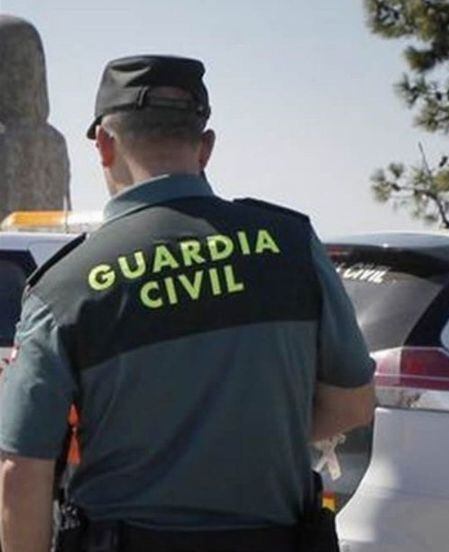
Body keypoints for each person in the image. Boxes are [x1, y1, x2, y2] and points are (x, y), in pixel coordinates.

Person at [0, 55, 375, 552]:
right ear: (206, 147)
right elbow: (352, 404)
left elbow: (21, 469)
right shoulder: (291, 244)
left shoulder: (65, 285)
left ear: (104, 146)